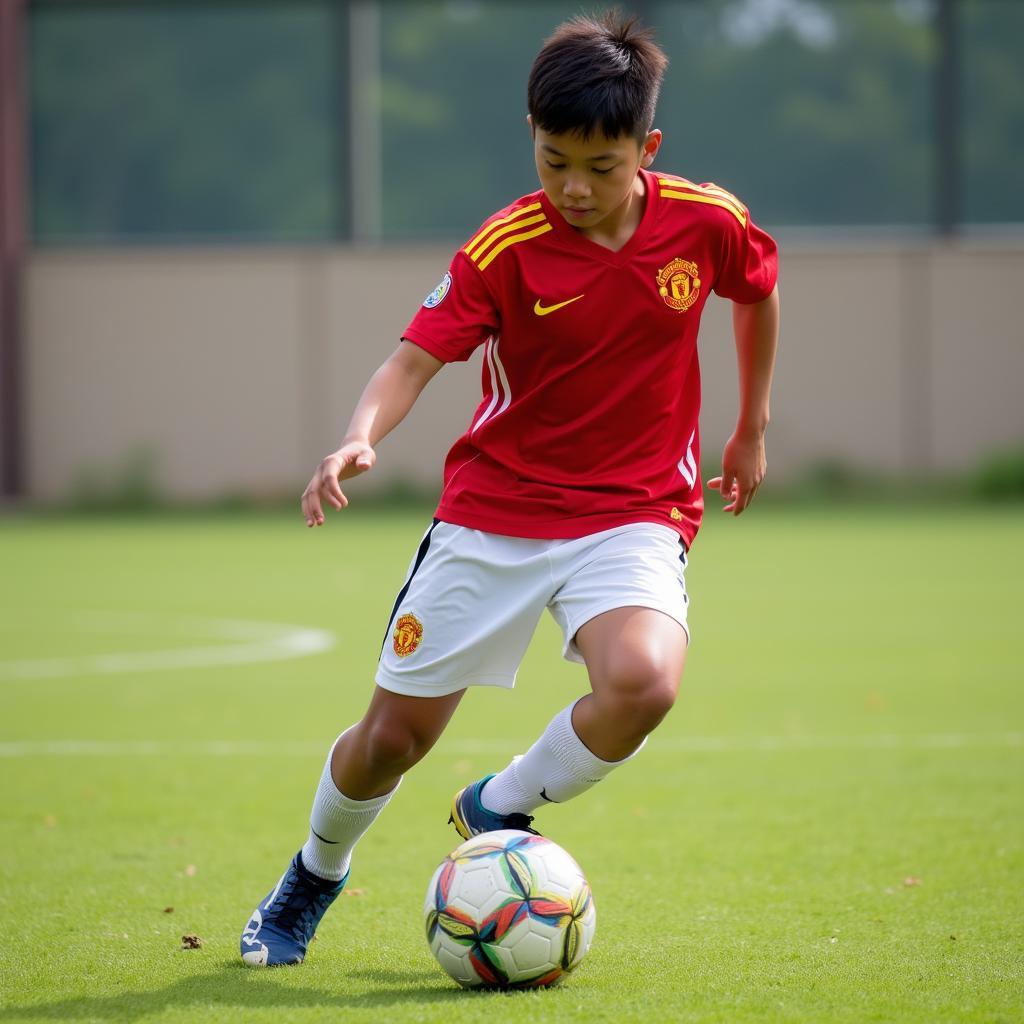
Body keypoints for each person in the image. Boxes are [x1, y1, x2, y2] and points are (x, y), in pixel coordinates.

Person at [241, 10, 779, 967]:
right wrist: (356, 439)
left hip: (634, 511)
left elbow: (758, 290)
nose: (572, 187)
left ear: (645, 149)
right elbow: (410, 363)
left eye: (599, 168)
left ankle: (504, 800)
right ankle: (311, 878)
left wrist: (750, 427)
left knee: (645, 683)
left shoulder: (707, 221)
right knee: (389, 740)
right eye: (551, 160)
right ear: (531, 141)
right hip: (494, 516)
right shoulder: (506, 245)